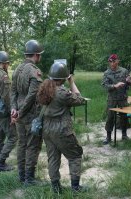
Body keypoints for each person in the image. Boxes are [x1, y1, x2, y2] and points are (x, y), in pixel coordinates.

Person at [37, 62, 86, 194]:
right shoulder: (63, 93)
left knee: (53, 157)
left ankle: (56, 187)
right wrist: (72, 82)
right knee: (75, 155)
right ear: (63, 78)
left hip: (46, 128)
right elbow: (80, 99)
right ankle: (75, 188)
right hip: (61, 129)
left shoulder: (44, 88)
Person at [10, 40, 44, 185]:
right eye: (40, 55)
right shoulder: (34, 71)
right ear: (36, 55)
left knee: (21, 144)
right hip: (29, 114)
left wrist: (14, 109)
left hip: (18, 112)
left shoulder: (17, 69)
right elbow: (32, 95)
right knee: (32, 146)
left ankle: (21, 175)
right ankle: (29, 179)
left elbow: (13, 91)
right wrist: (21, 112)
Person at [102, 54, 131, 145]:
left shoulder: (124, 71)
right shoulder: (107, 73)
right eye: (110, 61)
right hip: (112, 99)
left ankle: (124, 135)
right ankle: (108, 137)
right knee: (110, 117)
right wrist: (114, 86)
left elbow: (129, 84)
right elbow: (104, 85)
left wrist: (129, 81)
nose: (112, 63)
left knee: (124, 117)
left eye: (113, 61)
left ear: (117, 61)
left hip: (122, 98)